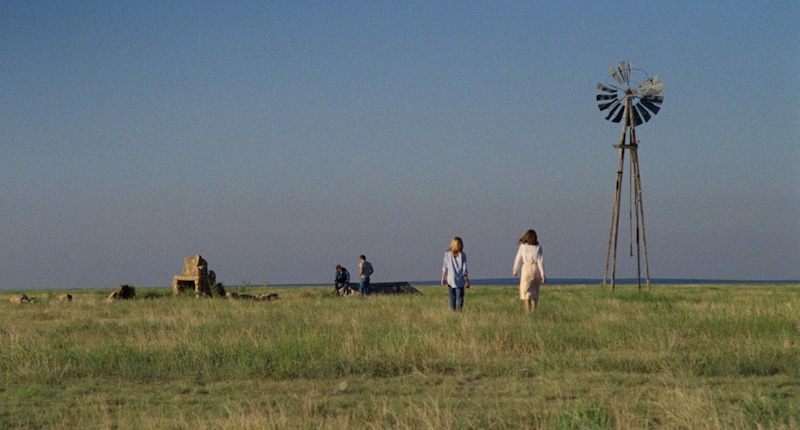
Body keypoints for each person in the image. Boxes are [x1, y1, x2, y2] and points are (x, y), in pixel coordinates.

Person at [512, 229, 546, 313]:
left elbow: (518, 259)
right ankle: (534, 310)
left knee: (525, 292)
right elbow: (540, 261)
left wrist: (515, 270)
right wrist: (543, 274)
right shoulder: (538, 248)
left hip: (526, 269)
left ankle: (528, 313)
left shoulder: (523, 247)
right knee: (535, 291)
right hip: (536, 269)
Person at [441, 237, 470, 312]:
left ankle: (453, 311)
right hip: (459, 279)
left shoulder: (447, 254)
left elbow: (445, 267)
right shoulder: (463, 255)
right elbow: (464, 270)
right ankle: (459, 310)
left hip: (450, 279)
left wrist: (442, 278)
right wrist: (467, 281)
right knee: (460, 297)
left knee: (452, 297)